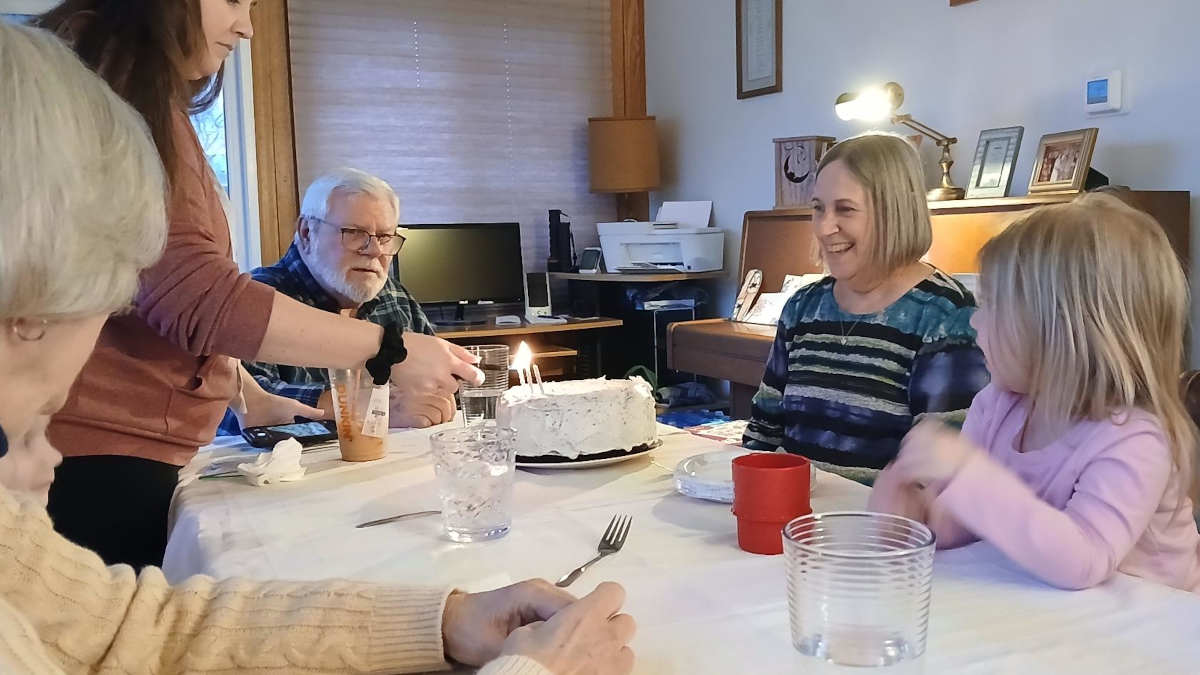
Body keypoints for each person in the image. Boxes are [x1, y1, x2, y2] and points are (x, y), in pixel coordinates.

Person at [0, 21, 635, 674]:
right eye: (116, 282)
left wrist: (444, 623)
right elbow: (197, 303)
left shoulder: (17, 553)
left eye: (386, 238)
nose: (248, 23)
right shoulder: (256, 300)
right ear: (29, 303)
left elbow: (142, 627)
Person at [35, 0, 483, 569]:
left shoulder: (135, 99)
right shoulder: (117, 98)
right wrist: (388, 349)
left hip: (120, 448)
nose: (246, 27)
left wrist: (249, 395)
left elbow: (152, 285)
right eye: (233, 0)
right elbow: (194, 296)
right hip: (97, 457)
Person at [869, 194, 1200, 592]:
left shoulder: (1135, 441)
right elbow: (975, 519)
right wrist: (918, 515)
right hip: (1060, 613)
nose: (974, 322)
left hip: (1150, 623)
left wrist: (965, 472)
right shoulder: (996, 406)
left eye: (991, 304)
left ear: (1057, 331)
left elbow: (1083, 560)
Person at [742, 133, 990, 482]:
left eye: (845, 209)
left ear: (894, 214)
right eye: (818, 208)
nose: (824, 227)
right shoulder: (803, 306)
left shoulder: (945, 315)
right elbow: (763, 432)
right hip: (792, 512)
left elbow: (940, 472)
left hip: (880, 517)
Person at [220, 167, 454, 436]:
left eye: (385, 237)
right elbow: (230, 407)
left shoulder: (395, 297)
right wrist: (369, 407)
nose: (375, 250)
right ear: (307, 232)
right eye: (354, 232)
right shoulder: (257, 297)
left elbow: (436, 384)